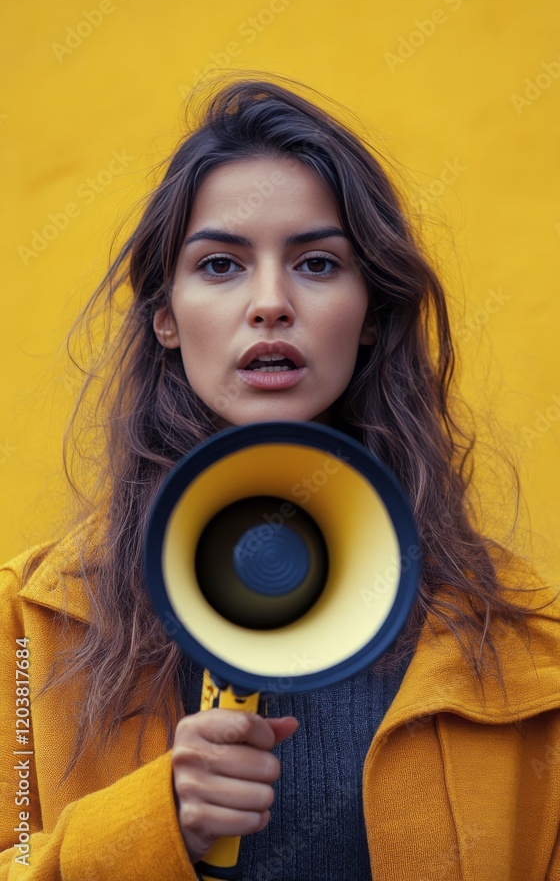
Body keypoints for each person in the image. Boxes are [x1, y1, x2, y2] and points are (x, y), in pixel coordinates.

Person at [1, 76, 560, 881]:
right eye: (221, 264)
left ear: (371, 316)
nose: (270, 303)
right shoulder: (30, 626)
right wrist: (150, 828)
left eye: (318, 263)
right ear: (165, 316)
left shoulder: (523, 648)